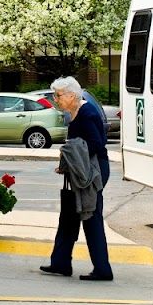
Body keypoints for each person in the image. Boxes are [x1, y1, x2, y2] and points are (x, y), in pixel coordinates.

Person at [39, 76, 113, 281]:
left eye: (59, 95)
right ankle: (60, 263)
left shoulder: (87, 113)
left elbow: (97, 144)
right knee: (69, 216)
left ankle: (103, 270)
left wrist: (72, 156)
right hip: (82, 171)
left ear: (72, 95)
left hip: (93, 171)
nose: (55, 99)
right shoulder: (74, 112)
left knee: (91, 217)